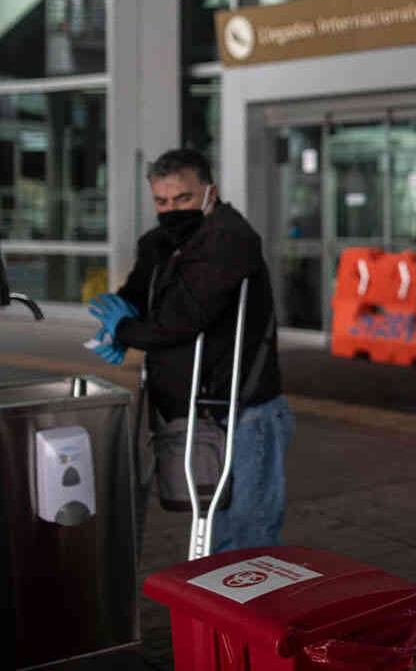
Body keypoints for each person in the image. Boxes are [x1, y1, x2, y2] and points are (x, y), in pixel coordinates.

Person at [88, 148, 293, 552]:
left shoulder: (229, 239)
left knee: (246, 534)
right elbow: (140, 297)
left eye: (183, 198)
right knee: (215, 530)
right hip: (199, 412)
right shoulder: (160, 244)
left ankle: (246, 593)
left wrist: (128, 330)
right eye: (161, 201)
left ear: (209, 192)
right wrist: (120, 320)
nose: (171, 209)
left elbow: (181, 320)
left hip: (243, 411)